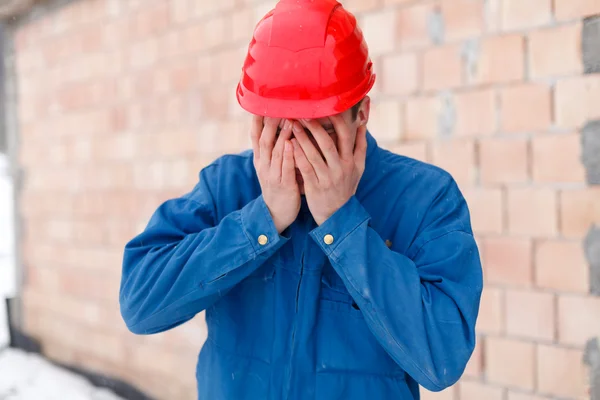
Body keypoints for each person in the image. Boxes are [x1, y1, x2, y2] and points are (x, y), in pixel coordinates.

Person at [119, 0, 483, 398]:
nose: (296, 150)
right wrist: (262, 221)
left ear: (361, 113)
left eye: (320, 130)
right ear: (256, 118)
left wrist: (343, 224)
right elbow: (140, 304)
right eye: (280, 128)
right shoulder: (228, 185)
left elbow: (442, 358)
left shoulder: (424, 197)